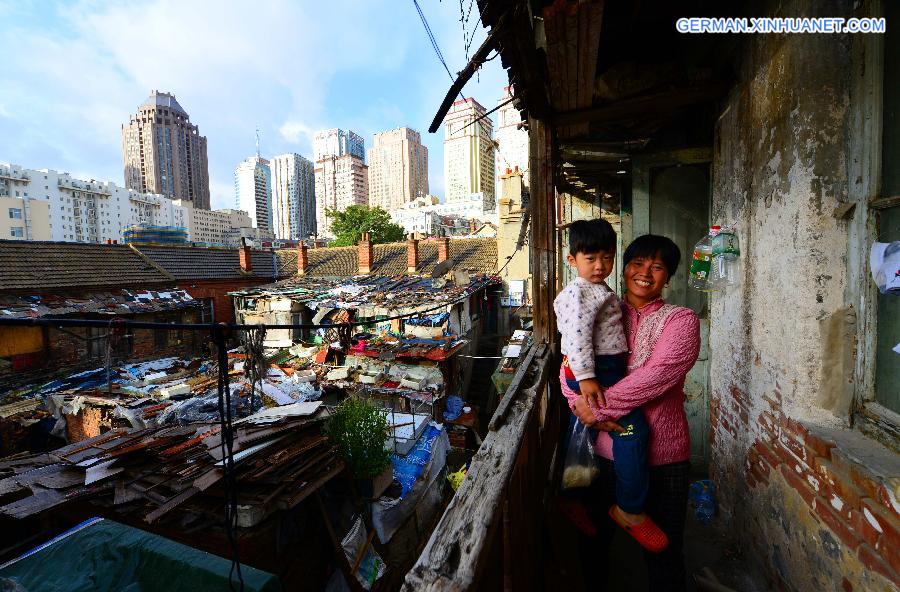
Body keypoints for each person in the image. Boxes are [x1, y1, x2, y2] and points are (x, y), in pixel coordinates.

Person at [564, 234, 701, 592]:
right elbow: (571, 363)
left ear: (668, 277)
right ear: (624, 269)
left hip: (665, 458)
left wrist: (593, 408)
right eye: (638, 264)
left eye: (657, 267)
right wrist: (574, 399)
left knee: (665, 555)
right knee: (592, 546)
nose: (645, 273)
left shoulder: (681, 321)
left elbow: (657, 376)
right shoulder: (601, 307)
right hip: (602, 457)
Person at [553, 219, 668, 553]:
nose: (601, 265)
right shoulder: (579, 292)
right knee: (633, 430)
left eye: (607, 256)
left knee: (581, 432)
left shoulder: (597, 289)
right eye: (591, 258)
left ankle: (571, 496)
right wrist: (587, 377)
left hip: (601, 368)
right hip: (598, 371)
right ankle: (630, 509)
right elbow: (574, 338)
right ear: (572, 259)